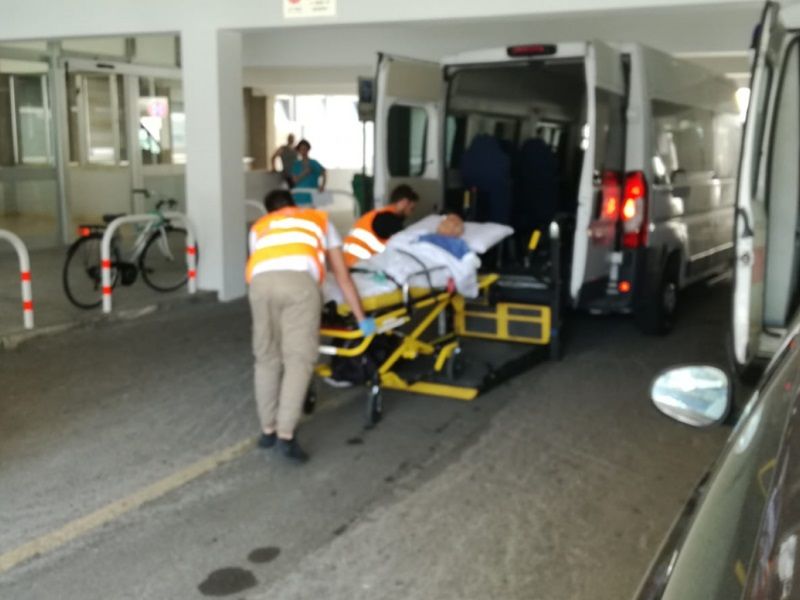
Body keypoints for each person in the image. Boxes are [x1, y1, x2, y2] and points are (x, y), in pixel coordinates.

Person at [247, 189, 375, 463]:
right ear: (294, 206)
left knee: (266, 358)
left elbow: (263, 263)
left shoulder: (260, 227)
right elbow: (342, 276)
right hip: (299, 287)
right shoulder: (319, 220)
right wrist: (361, 318)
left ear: (270, 212)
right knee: (298, 360)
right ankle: (285, 435)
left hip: (259, 286)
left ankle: (267, 431)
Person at [343, 184, 420, 266]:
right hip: (358, 264)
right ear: (404, 202)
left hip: (348, 260)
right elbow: (404, 245)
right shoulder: (389, 219)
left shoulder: (379, 214)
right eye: (411, 209)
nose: (410, 213)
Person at [290, 139, 326, 206]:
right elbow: (295, 181)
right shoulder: (296, 164)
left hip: (312, 197)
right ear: (299, 151)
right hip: (298, 197)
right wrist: (305, 172)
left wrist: (322, 186)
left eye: (305, 149)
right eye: (301, 149)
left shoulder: (314, 163)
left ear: (308, 150)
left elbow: (324, 173)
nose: (304, 151)